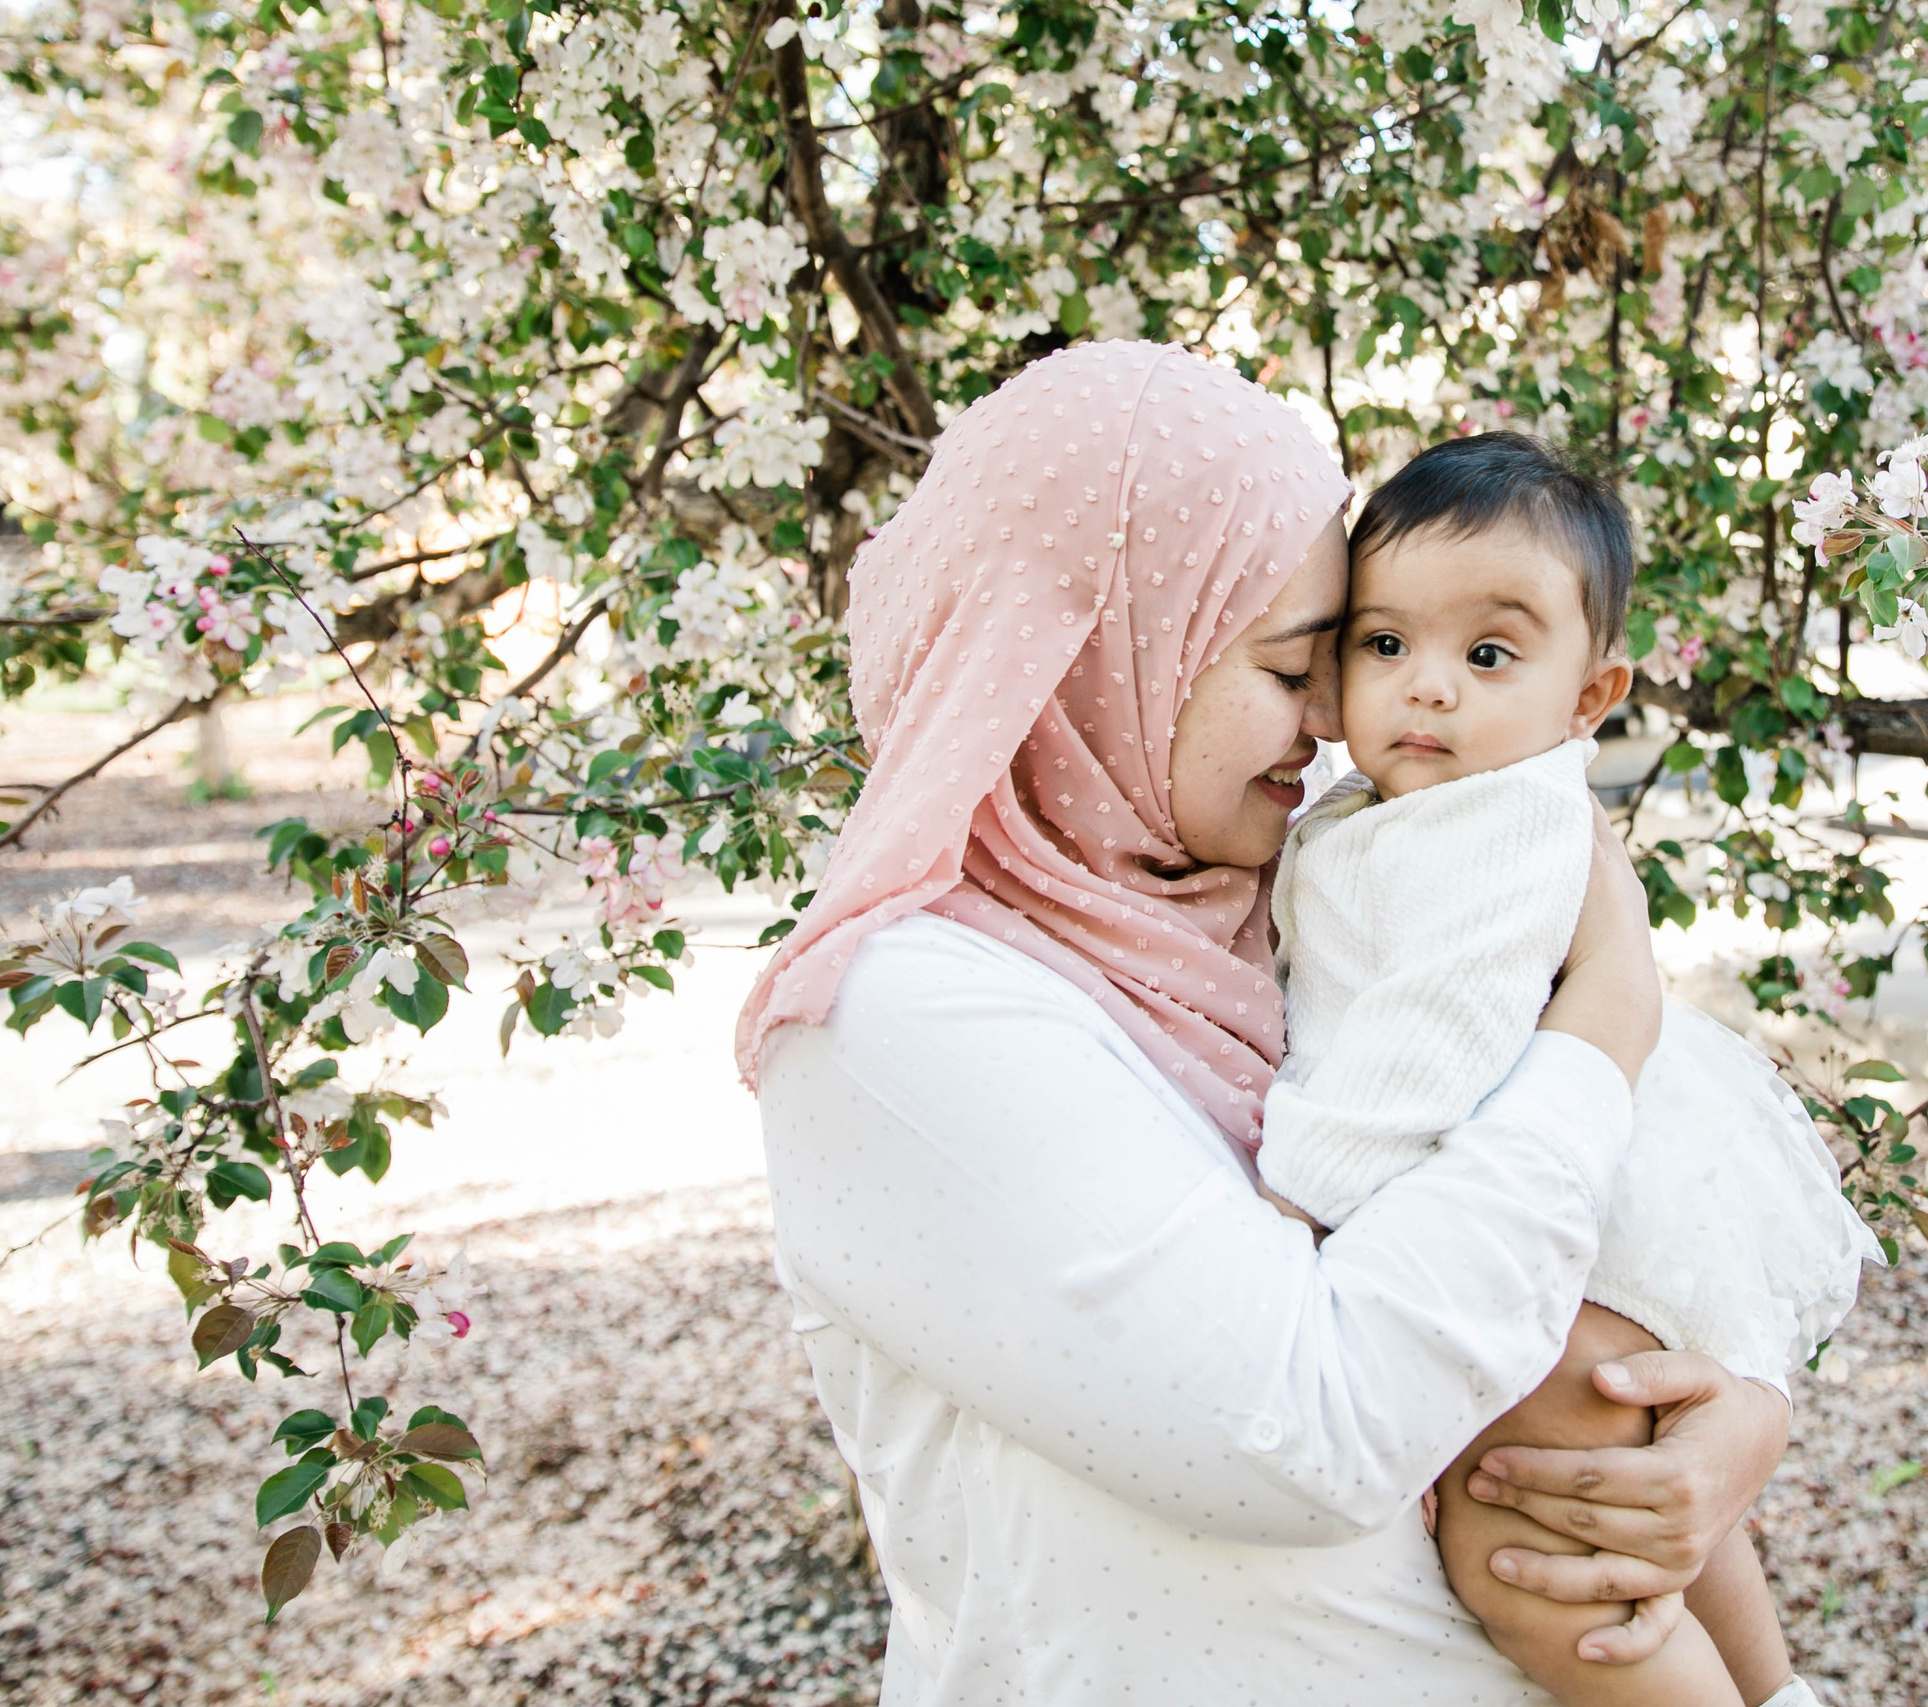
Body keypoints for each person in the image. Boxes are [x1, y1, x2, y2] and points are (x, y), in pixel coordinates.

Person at [737, 341, 1794, 1704]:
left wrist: (1720, 1413)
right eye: (1305, 662)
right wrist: (1605, 1025)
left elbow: (1590, 1222)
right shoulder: (892, 1022)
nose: (1332, 724)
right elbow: (1308, 1423)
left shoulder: (1257, 900)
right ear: (1100, 649)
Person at [1255, 433, 1882, 1707]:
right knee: (1641, 1518)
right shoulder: (1393, 807)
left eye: (1488, 655)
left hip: (1559, 1214)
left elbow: (1423, 1044)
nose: (1426, 688)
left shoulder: (1504, 826)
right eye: (1386, 646)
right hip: (1574, 1203)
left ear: (1590, 698)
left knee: (1536, 1571)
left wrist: (1288, 1210)